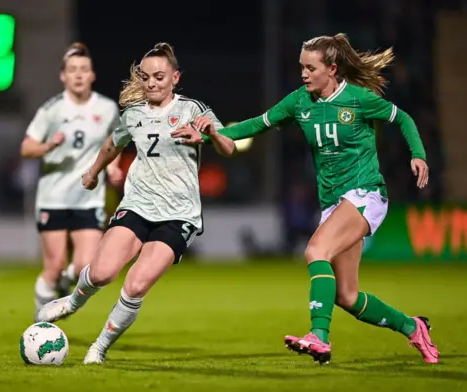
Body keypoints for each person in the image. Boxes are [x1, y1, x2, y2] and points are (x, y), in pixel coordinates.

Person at [177, 33, 439, 365]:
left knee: (316, 250)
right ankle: (413, 327)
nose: (303, 74)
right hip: (333, 203)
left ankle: (319, 336)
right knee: (347, 296)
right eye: (301, 67)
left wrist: (418, 155)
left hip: (365, 193)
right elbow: (255, 125)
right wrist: (209, 133)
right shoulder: (299, 102)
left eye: (310, 68)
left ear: (332, 69)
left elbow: (402, 118)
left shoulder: (358, 99)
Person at [36, 42, 237, 364]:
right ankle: (73, 302)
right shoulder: (133, 115)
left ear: (175, 77)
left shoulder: (193, 109)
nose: (152, 83)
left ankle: (98, 348)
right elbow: (112, 145)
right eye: (146, 77)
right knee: (101, 273)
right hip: (139, 204)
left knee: (136, 284)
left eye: (160, 76)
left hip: (179, 215)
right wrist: (92, 172)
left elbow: (230, 147)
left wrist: (211, 133)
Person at [21, 42, 124, 318]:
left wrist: (112, 167)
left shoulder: (106, 108)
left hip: (88, 198)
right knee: (52, 268)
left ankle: (69, 278)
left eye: (84, 69)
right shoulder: (51, 110)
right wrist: (47, 147)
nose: (78, 74)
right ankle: (41, 324)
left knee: (85, 267)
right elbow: (26, 147)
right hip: (52, 198)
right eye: (72, 70)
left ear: (92, 75)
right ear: (62, 76)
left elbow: (114, 143)